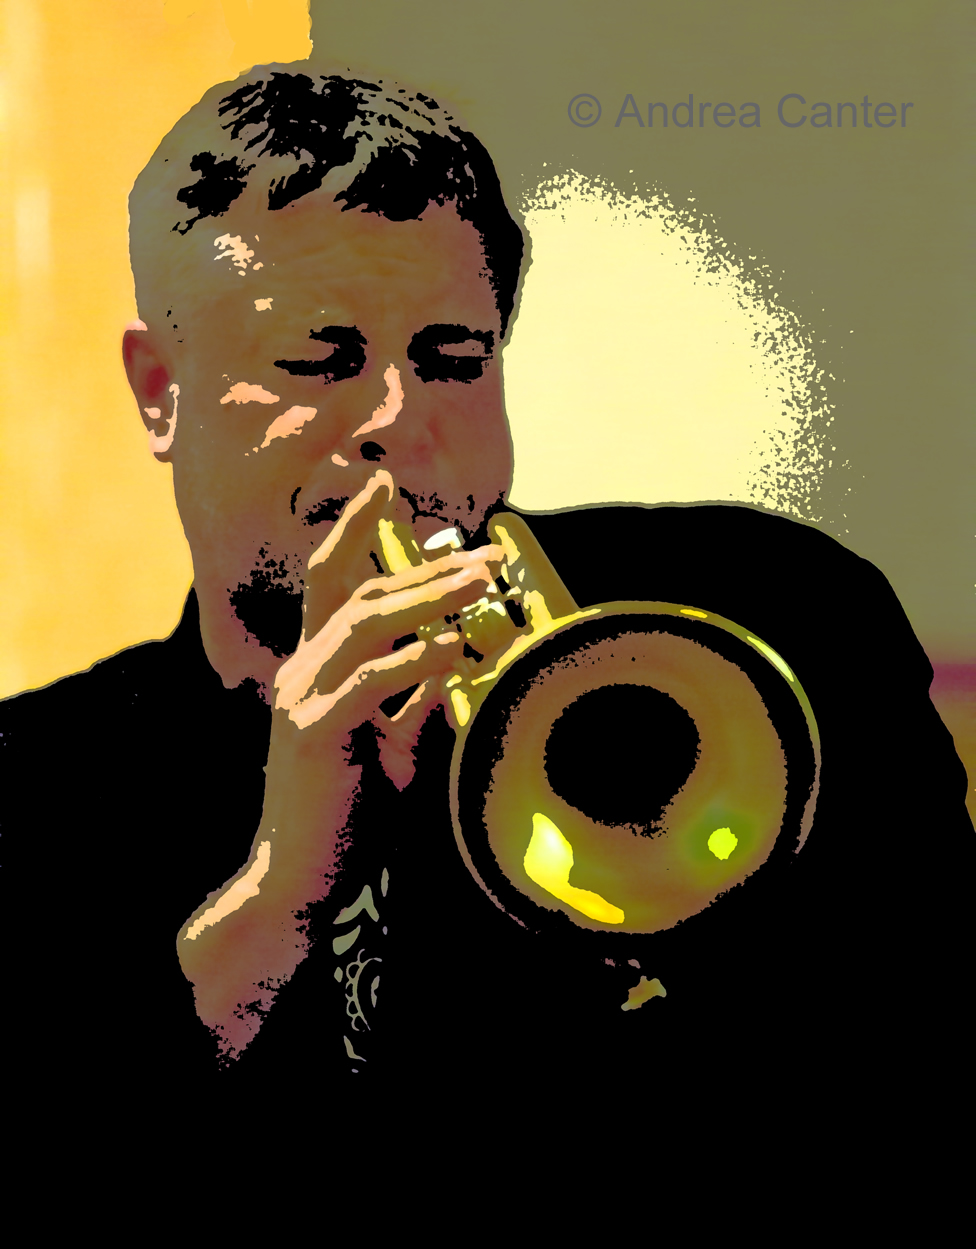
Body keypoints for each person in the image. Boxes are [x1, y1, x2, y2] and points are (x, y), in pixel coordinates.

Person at [1, 66, 971, 1112]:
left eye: (454, 359)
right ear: (160, 393)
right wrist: (278, 896)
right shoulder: (31, 786)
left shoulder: (785, 613)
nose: (398, 419)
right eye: (319, 360)